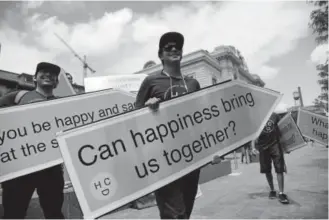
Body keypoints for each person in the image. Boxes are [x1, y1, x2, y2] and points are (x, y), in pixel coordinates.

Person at [136, 31, 213, 219]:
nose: (174, 49)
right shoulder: (151, 81)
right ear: (161, 55)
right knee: (175, 214)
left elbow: (200, 119)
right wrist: (147, 109)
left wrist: (212, 149)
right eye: (168, 47)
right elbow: (134, 118)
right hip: (164, 160)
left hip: (191, 157)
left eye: (177, 46)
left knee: (185, 212)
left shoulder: (193, 83)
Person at [0, 62, 65, 219]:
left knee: (54, 213)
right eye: (43, 71)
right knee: (13, 213)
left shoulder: (63, 104)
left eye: (53, 74)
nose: (48, 75)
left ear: (57, 82)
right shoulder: (18, 96)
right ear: (35, 78)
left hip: (51, 168)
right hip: (20, 167)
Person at [252, 112, 289, 204]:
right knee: (267, 170)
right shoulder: (256, 116)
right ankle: (272, 190)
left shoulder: (275, 115)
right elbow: (253, 133)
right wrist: (253, 147)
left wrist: (287, 146)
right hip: (263, 147)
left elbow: (283, 130)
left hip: (275, 145)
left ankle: (281, 193)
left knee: (279, 169)